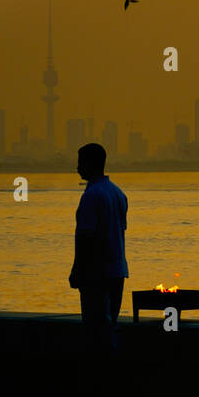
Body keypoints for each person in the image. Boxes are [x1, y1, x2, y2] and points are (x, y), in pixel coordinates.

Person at [67, 143, 129, 352]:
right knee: (109, 327)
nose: (77, 167)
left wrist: (77, 269)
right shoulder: (118, 194)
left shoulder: (91, 197)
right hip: (117, 271)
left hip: (96, 274)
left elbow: (85, 237)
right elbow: (120, 230)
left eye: (80, 162)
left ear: (91, 164)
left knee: (96, 331)